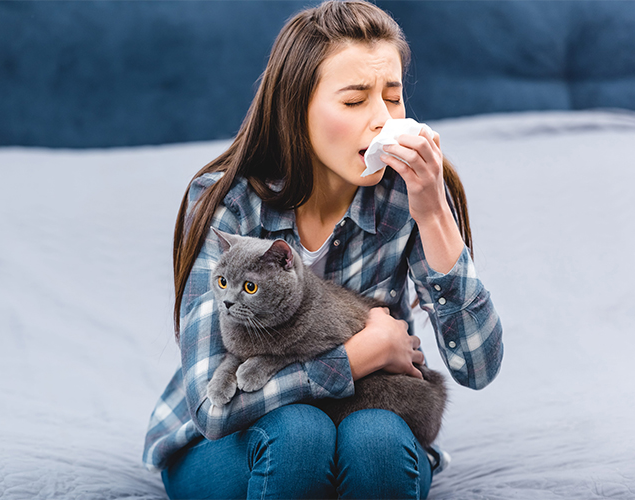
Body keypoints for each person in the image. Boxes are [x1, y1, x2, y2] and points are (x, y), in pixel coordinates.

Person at [143, 1, 503, 498]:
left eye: (394, 97)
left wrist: (434, 213)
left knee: (377, 444)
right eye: (355, 101)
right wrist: (357, 357)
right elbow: (214, 409)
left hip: (362, 420)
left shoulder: (407, 197)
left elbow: (478, 367)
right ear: (297, 109)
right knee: (300, 435)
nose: (382, 119)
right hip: (234, 438)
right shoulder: (225, 203)